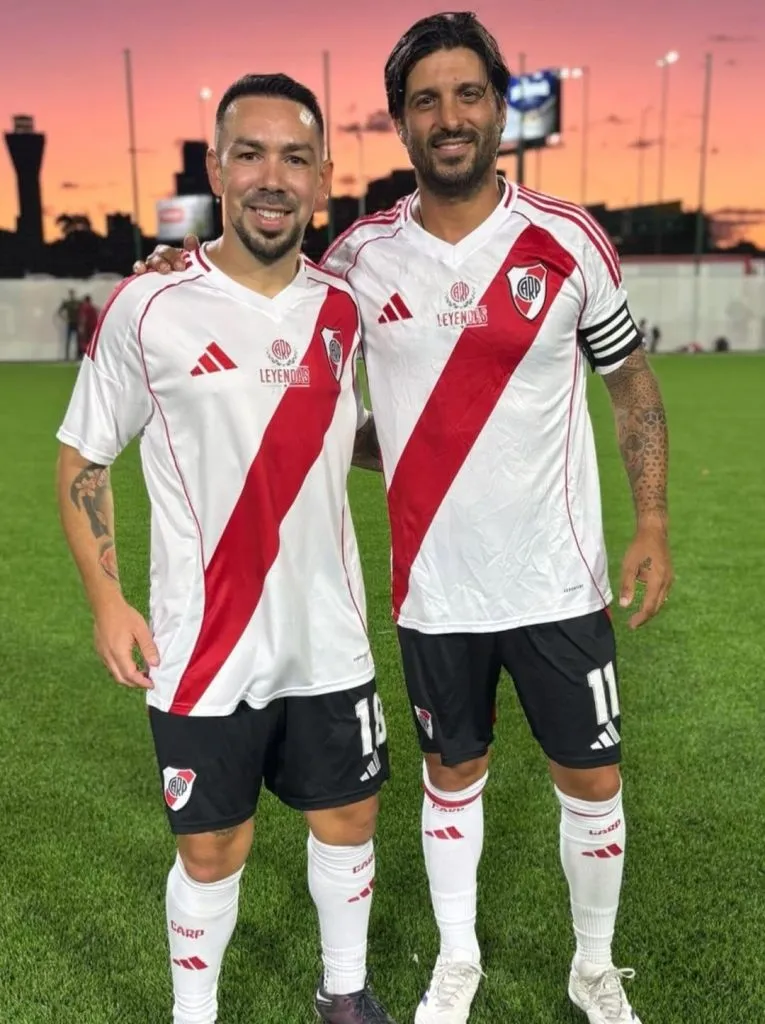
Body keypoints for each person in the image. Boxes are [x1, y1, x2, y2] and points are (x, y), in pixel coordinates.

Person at [135, 15, 674, 1024]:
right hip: (434, 588)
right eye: (426, 100)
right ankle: (456, 960)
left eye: (467, 94)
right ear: (400, 122)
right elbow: (260, 303)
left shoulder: (567, 239)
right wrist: (181, 271)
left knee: (591, 778)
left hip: (558, 577)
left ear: (498, 107)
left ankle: (593, 968)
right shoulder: (357, 260)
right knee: (449, 773)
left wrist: (650, 520)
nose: (449, 116)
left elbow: (631, 381)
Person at [56, 72, 396, 1024]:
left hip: (326, 630)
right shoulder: (149, 305)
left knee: (349, 819)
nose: (271, 177)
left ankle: (343, 994)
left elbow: (346, 432)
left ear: (322, 177)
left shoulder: (345, 308)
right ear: (216, 169)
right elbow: (84, 456)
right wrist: (106, 601)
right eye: (250, 154)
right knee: (211, 850)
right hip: (203, 641)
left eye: (294, 157)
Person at [57, 288, 81, 360]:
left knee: (78, 340)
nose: (72, 295)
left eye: (72, 293)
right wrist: (65, 319)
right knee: (68, 340)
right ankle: (67, 356)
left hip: (76, 323)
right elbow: (59, 312)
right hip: (70, 323)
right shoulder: (67, 303)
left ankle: (77, 355)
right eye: (71, 293)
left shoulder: (77, 302)